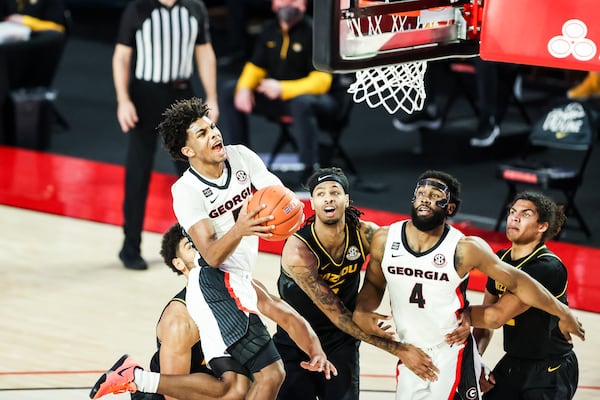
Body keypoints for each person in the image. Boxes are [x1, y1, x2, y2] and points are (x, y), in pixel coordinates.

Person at [352, 170, 585, 400]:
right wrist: (478, 358)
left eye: (435, 195)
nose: (425, 197)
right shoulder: (387, 240)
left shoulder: (475, 250)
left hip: (537, 364)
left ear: (449, 207)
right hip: (431, 352)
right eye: (421, 192)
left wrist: (562, 311)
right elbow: (373, 284)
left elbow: (497, 314)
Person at [274, 167, 468, 400]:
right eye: (320, 193)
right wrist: (398, 349)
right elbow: (339, 315)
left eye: (335, 192)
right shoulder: (298, 251)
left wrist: (462, 314)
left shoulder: (367, 235)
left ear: (346, 199)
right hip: (297, 341)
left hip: (340, 343)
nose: (328, 197)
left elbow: (417, 264)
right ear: (312, 203)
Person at [90, 223, 335, 400]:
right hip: (170, 396)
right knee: (239, 388)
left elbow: (288, 317)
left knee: (258, 380)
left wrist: (316, 351)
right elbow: (173, 397)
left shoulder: (238, 284)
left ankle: (135, 377)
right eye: (190, 245)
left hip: (221, 387)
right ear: (178, 263)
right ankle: (136, 378)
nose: (200, 248)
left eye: (202, 243)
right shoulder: (180, 321)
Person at [157, 96, 294, 400]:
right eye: (202, 133)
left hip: (239, 281)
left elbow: (278, 194)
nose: (215, 134)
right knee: (268, 376)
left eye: (213, 127)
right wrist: (241, 228)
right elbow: (211, 254)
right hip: (215, 283)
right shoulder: (186, 191)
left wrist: (288, 212)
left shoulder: (241, 157)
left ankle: (139, 380)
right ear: (187, 150)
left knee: (238, 389)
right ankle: (142, 382)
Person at [113, 0, 218, 270]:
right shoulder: (138, 8)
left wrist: (212, 97)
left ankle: (201, 244)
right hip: (145, 93)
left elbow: (204, 52)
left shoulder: (194, 8)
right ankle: (130, 245)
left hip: (181, 95)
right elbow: (122, 56)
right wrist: (123, 100)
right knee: (138, 169)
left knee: (191, 174)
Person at [470, 191, 579, 399]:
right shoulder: (500, 259)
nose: (515, 217)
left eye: (526, 214)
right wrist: (475, 362)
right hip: (515, 361)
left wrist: (449, 312)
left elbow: (496, 316)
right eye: (512, 212)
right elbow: (483, 327)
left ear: (542, 226)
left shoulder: (548, 267)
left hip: (551, 368)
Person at [220, 0, 335, 183]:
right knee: (230, 91)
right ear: (274, 4)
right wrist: (244, 88)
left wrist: (282, 89)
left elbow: (322, 81)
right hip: (277, 99)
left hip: (316, 100)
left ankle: (310, 168)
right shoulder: (269, 30)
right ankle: (241, 160)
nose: (288, 4)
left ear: (304, 5)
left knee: (301, 102)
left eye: (294, 1)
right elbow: (255, 67)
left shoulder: (314, 31)